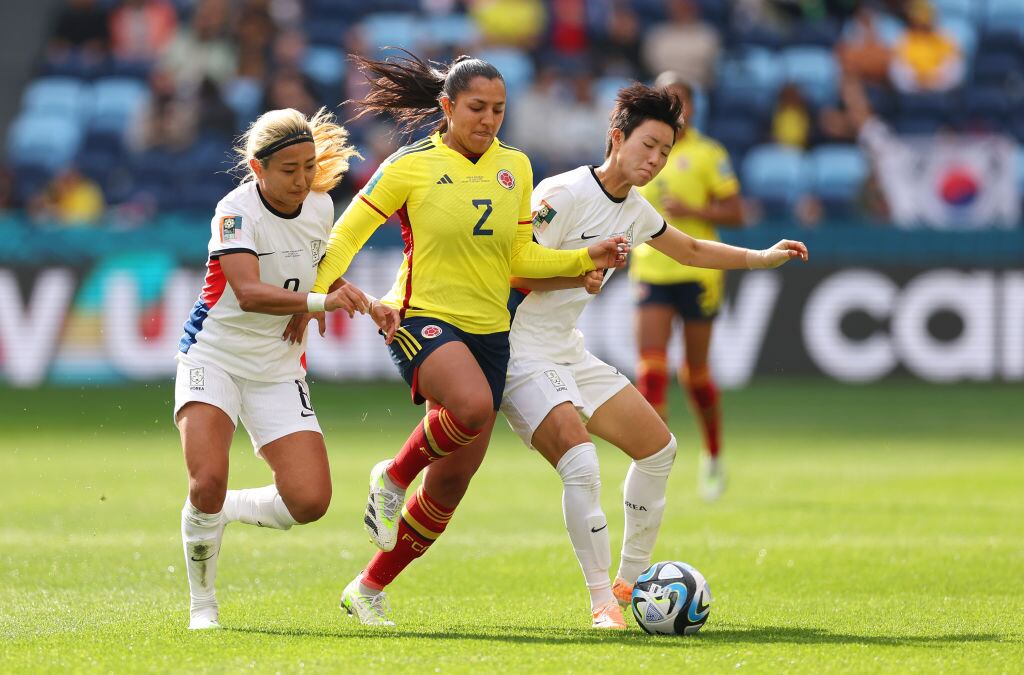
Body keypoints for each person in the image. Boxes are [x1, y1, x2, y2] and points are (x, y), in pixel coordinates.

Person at [310, 51, 629, 626]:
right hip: (420, 317)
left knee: (450, 485)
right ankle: (391, 476)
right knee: (473, 404)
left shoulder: (516, 167)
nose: (488, 119)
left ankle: (368, 587)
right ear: (447, 107)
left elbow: (519, 255)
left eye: (499, 110)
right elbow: (347, 230)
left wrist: (585, 256)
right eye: (477, 108)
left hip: (490, 332)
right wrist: (318, 291)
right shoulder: (409, 166)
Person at [502, 84, 808, 629]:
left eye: (665, 151)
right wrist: (576, 267)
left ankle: (632, 580)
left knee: (659, 450)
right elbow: (504, 266)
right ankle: (601, 603)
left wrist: (762, 257)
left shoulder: (636, 211)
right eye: (648, 145)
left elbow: (689, 249)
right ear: (615, 138)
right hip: (518, 352)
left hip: (566, 350)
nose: (656, 160)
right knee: (582, 463)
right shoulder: (563, 194)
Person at [174, 106, 397, 630]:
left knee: (310, 500)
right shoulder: (234, 212)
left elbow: (316, 274)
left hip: (277, 367)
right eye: (289, 169)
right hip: (216, 355)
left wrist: (348, 297)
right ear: (258, 169)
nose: (302, 180)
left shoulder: (319, 206)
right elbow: (249, 294)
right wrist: (317, 306)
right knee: (205, 478)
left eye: (308, 167)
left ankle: (222, 510)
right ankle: (202, 605)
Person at [631, 72, 745, 502]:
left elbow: (736, 212)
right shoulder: (644, 148)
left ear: (694, 107)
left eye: (680, 101)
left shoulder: (708, 154)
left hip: (698, 273)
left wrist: (692, 208)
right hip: (652, 269)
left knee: (695, 375)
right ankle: (651, 461)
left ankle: (713, 454)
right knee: (650, 370)